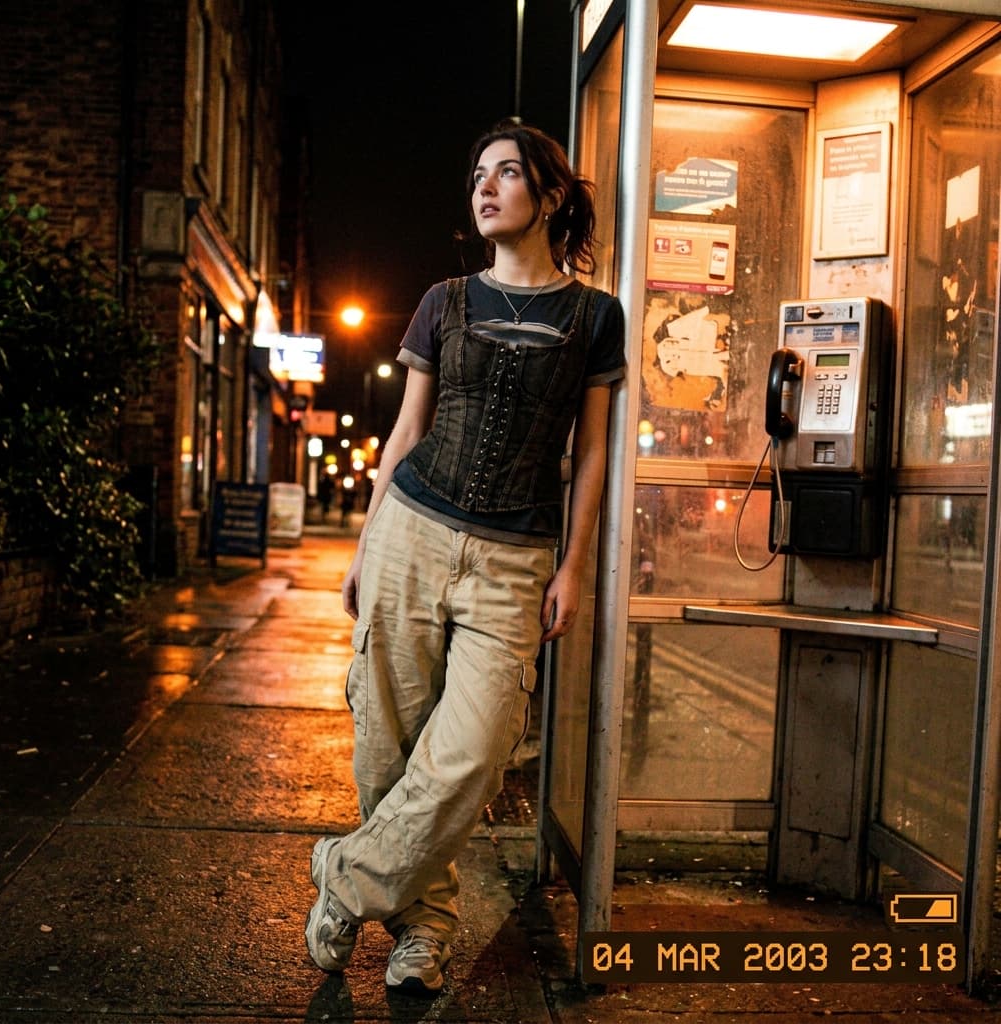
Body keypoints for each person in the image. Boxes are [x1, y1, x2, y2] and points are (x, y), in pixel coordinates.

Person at [304, 119, 625, 996]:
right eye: (478, 175)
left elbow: (590, 454)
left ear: (551, 196)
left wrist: (574, 567)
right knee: (390, 745)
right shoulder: (445, 299)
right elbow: (406, 430)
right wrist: (367, 543)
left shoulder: (595, 317)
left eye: (507, 175)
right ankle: (424, 930)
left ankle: (347, 876)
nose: (485, 188)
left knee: (476, 751)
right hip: (413, 527)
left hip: (516, 558)